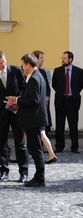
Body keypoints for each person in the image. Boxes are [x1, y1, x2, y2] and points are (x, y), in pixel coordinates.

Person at [7, 54, 48, 187]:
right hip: (34, 119)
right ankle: (38, 176)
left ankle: (39, 178)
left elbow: (34, 100)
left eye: (23, 65)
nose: (22, 68)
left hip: (33, 120)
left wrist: (16, 100)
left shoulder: (35, 78)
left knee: (36, 150)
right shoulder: (36, 76)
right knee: (35, 149)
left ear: (29, 65)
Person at [0, 51, 29, 182]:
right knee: (1, 144)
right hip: (1, 114)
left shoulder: (16, 70)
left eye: (3, 62)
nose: (2, 65)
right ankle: (3, 171)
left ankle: (23, 172)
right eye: (0, 63)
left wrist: (17, 99)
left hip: (17, 112)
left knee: (20, 143)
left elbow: (24, 88)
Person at [52, 51, 83, 154]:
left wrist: (72, 93)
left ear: (70, 59)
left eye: (65, 58)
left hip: (72, 101)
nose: (62, 60)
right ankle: (59, 146)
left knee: (73, 126)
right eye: (62, 58)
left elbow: (80, 85)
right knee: (59, 125)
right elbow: (54, 85)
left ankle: (74, 147)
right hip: (61, 101)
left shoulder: (79, 71)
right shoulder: (57, 71)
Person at [33, 50, 57, 164]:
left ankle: (49, 153)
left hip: (40, 105)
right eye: (41, 57)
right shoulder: (31, 71)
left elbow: (47, 87)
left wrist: (47, 97)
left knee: (42, 129)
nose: (43, 59)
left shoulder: (43, 72)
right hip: (34, 105)